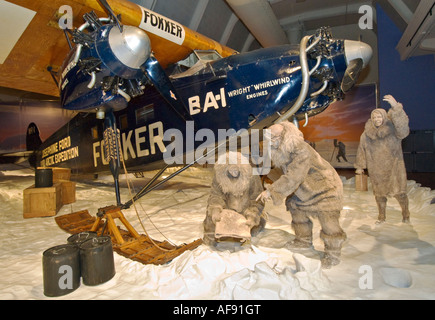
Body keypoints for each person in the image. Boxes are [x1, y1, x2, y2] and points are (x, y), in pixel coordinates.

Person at [257, 122, 346, 268]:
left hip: (324, 188)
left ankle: (333, 254)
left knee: (329, 223)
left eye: (274, 138)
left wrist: (272, 191)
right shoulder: (281, 150)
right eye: (269, 138)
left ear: (285, 135)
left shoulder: (301, 150)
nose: (271, 142)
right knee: (297, 211)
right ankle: (303, 240)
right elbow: (284, 171)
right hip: (304, 189)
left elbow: (294, 176)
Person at [354, 95, 410, 224]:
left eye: (379, 117)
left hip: (395, 168)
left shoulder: (394, 130)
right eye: (374, 117)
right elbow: (361, 150)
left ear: (384, 117)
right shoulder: (367, 134)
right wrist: (360, 166)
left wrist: (396, 107)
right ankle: (381, 216)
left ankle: (406, 214)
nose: (376, 119)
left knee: (400, 193)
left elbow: (404, 129)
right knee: (379, 195)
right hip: (376, 169)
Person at [203, 152, 266, 246]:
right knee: (211, 218)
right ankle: (209, 244)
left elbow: (257, 199)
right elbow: (215, 195)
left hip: (246, 210)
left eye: (236, 170)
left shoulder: (251, 176)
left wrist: (252, 214)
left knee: (251, 228)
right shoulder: (220, 176)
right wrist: (216, 209)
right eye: (230, 171)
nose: (233, 173)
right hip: (228, 210)